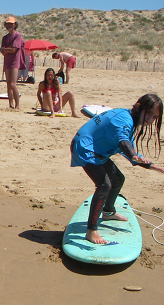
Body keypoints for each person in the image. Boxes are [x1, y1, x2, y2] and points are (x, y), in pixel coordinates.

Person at [70, 93, 164, 244]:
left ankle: (108, 212)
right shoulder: (123, 119)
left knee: (118, 179)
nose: (149, 119)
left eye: (154, 117)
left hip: (98, 151)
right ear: (139, 107)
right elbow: (123, 142)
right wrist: (132, 154)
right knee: (104, 185)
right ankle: (91, 231)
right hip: (85, 147)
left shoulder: (129, 122)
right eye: (149, 113)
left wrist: (154, 167)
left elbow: (129, 152)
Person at [0, 16, 26, 109]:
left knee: (13, 84)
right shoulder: (5, 38)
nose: (9, 25)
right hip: (7, 61)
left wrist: (7, 49)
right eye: (8, 24)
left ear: (15, 25)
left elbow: (14, 49)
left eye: (11, 24)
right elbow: (2, 51)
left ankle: (17, 104)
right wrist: (8, 49)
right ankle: (10, 104)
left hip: (15, 61)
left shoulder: (17, 35)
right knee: (8, 83)